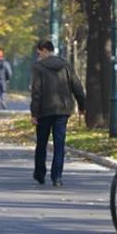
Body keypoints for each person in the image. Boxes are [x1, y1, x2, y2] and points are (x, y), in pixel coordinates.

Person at [30, 39, 86, 187]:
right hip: (62, 110)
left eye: (39, 51)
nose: (38, 54)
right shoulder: (66, 66)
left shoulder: (38, 68)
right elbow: (77, 86)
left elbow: (36, 91)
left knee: (41, 143)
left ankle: (40, 174)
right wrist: (82, 105)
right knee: (59, 144)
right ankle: (57, 177)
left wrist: (34, 113)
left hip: (44, 111)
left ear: (44, 50)